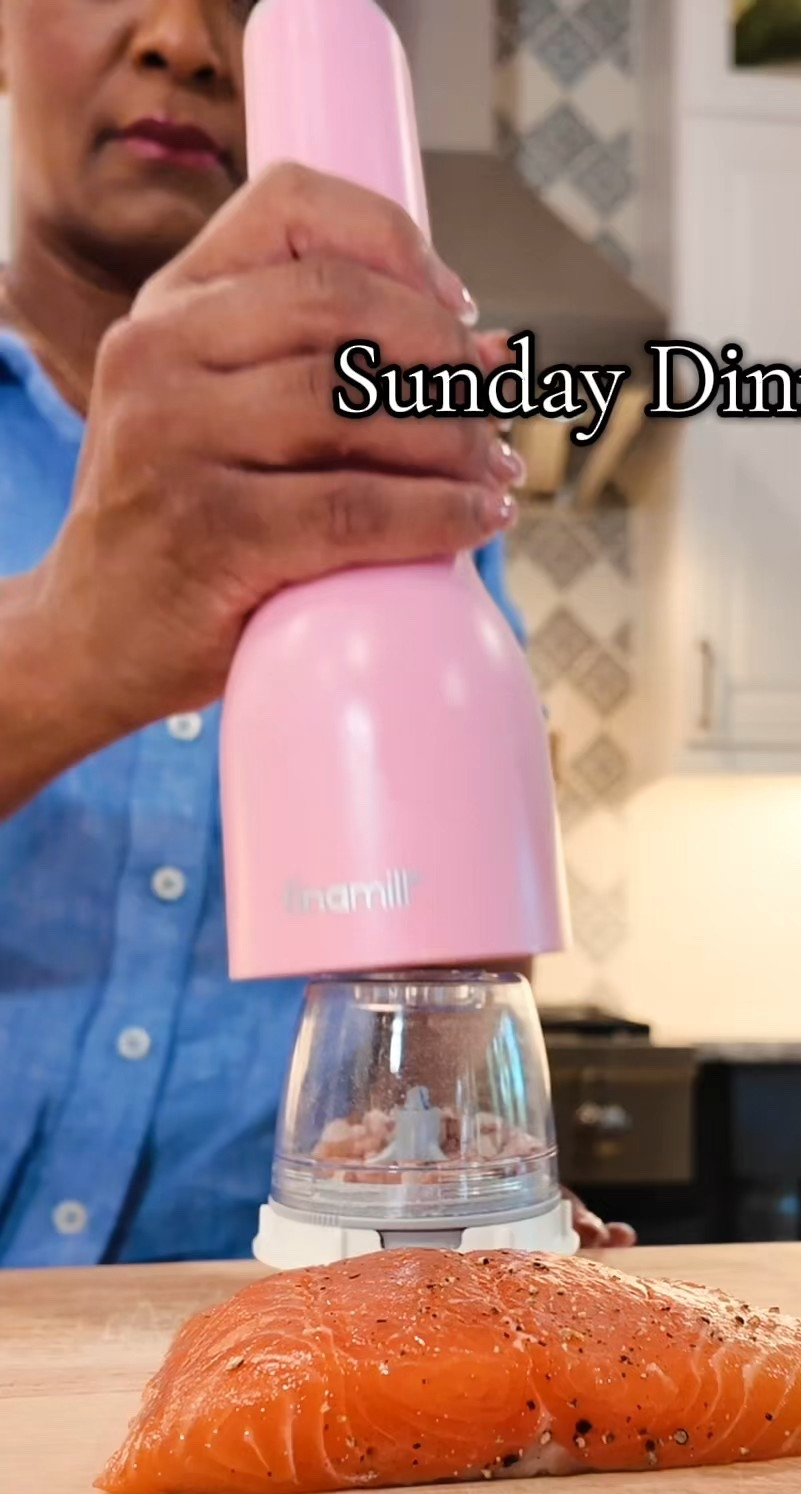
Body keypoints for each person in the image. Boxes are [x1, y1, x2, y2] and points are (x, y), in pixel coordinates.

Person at [0, 0, 634, 1264]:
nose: (186, 39)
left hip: (281, 1339)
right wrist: (74, 637)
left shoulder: (408, 472)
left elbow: (447, 948)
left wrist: (457, 1189)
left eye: (241, 2)